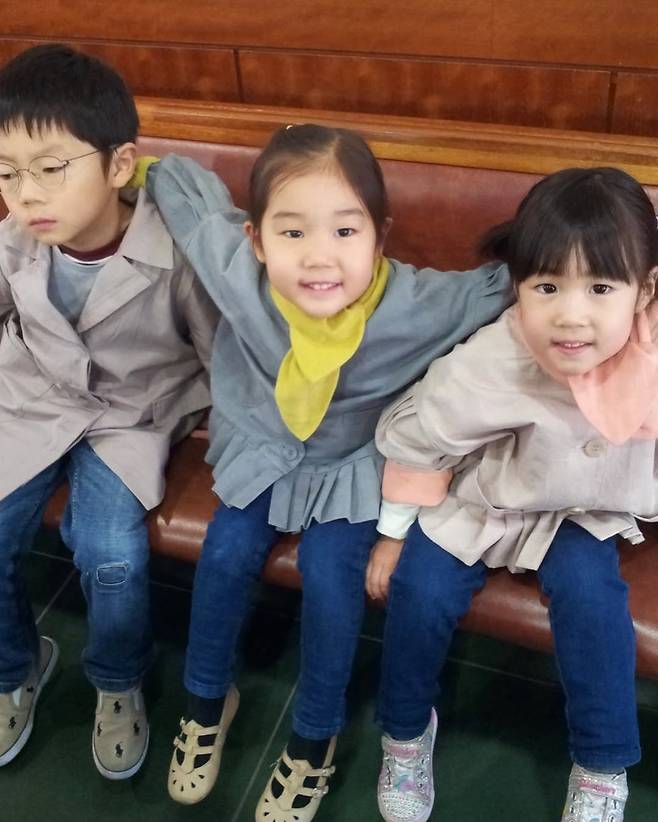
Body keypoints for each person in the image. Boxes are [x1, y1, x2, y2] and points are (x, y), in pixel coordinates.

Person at [141, 123, 511, 820]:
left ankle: (314, 737)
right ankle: (206, 699)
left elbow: (508, 286)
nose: (319, 257)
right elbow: (183, 192)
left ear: (380, 236)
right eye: (292, 233)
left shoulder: (419, 304)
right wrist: (136, 168)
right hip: (264, 451)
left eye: (345, 231)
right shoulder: (238, 268)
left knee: (332, 582)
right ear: (256, 240)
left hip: (350, 466)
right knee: (223, 556)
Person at [370, 166, 658, 822]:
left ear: (644, 291)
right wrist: (392, 532)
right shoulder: (494, 359)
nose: (571, 316)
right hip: (485, 498)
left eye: (601, 288)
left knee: (593, 601)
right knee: (419, 593)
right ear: (518, 284)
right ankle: (405, 731)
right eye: (547, 286)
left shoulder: (649, 353)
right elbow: (418, 438)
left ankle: (601, 765)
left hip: (581, 510)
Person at [0, 44, 217, 779]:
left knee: (110, 553)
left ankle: (117, 680)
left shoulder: (175, 251)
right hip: (31, 401)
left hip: (129, 415)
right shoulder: (14, 240)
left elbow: (221, 351)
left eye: (50, 168)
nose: (26, 195)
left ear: (120, 164)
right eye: (7, 173)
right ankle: (15, 666)